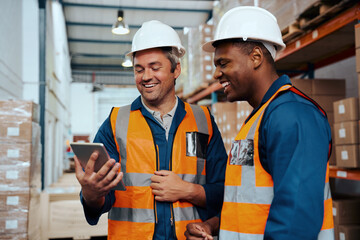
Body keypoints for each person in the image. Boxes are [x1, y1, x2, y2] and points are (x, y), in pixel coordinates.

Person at [185, 6, 334, 240]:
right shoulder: (261, 117)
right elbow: (251, 202)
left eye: (223, 63)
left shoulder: (291, 115)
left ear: (255, 57)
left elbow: (295, 220)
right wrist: (214, 226)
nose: (216, 74)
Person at [74, 20, 228, 240]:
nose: (146, 76)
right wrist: (91, 194)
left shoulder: (202, 121)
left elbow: (225, 191)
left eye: (155, 68)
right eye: (139, 69)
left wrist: (187, 190)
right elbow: (101, 200)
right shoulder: (116, 122)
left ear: (176, 69)